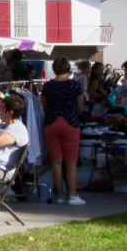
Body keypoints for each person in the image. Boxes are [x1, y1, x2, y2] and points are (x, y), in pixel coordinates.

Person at [40, 57, 86, 205]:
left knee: (56, 162)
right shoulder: (75, 85)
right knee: (71, 162)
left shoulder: (47, 86)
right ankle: (72, 196)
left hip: (51, 123)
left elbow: (45, 107)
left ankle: (59, 196)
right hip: (70, 123)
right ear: (68, 68)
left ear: (54, 69)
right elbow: (80, 109)